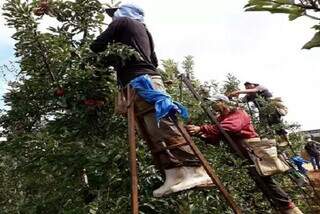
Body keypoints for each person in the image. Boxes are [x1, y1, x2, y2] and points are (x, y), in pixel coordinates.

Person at [90, 4, 211, 198]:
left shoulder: (122, 22)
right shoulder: (144, 31)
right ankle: (174, 174)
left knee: (163, 125)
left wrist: (109, 57)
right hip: (139, 81)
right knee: (153, 131)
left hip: (143, 82)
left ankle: (196, 169)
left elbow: (96, 46)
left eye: (115, 14)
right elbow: (154, 61)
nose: (113, 18)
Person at [186, 94, 302, 214]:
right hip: (241, 152)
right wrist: (201, 134)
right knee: (259, 180)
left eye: (214, 102)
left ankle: (290, 209)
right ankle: (282, 207)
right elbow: (216, 136)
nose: (212, 105)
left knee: (265, 180)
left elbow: (232, 127)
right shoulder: (221, 118)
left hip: (252, 150)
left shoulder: (238, 113)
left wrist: (201, 128)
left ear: (222, 102)